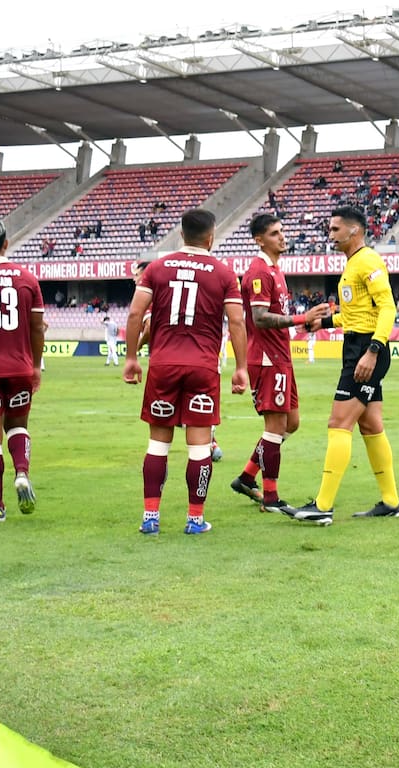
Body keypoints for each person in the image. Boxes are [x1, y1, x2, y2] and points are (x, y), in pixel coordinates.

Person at [122, 209, 246, 536]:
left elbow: (136, 313)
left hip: (163, 364)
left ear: (181, 234)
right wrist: (241, 368)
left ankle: (150, 517)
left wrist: (132, 357)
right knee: (200, 446)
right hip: (203, 367)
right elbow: (236, 322)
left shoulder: (157, 269)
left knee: (158, 445)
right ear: (211, 237)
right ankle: (194, 519)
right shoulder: (224, 273)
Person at [292, 206, 399, 525]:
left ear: (355, 231)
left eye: (335, 229)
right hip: (358, 344)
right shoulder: (353, 264)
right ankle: (391, 502)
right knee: (370, 425)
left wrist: (373, 350)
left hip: (366, 350)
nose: (331, 234)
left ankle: (322, 506)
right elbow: (356, 315)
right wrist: (323, 323)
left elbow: (387, 308)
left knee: (339, 422)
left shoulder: (367, 260)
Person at [230, 214, 330, 515]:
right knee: (275, 428)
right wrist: (301, 318)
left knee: (292, 423)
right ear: (259, 240)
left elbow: (276, 320)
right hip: (266, 359)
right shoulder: (259, 271)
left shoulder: (275, 270)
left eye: (282, 231)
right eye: (275, 233)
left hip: (280, 357)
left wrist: (307, 325)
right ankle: (270, 497)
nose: (282, 237)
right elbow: (260, 318)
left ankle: (247, 477)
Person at [0, 216, 45, 522]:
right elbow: (37, 328)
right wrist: (36, 366)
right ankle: (22, 472)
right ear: (6, 243)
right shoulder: (27, 278)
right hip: (19, 368)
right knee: (18, 426)